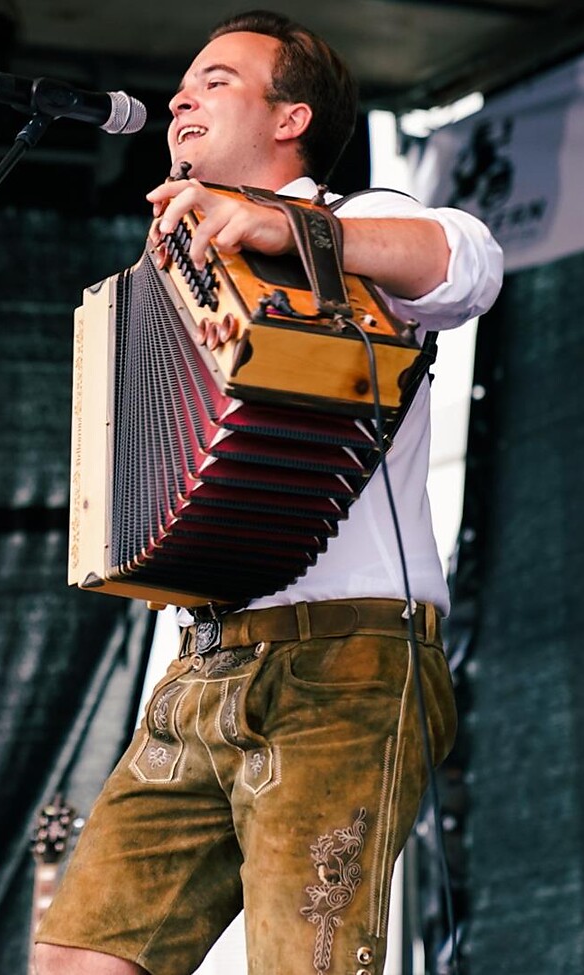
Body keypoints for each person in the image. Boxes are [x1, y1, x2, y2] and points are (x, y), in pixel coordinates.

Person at [34, 10, 502, 975]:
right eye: (183, 87)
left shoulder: (355, 222)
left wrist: (287, 224)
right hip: (203, 660)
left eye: (216, 81)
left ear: (291, 119)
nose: (181, 98)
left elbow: (471, 262)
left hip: (349, 661)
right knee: (79, 961)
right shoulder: (178, 275)